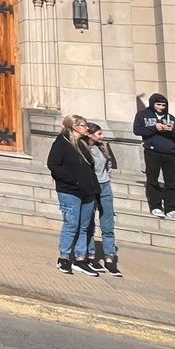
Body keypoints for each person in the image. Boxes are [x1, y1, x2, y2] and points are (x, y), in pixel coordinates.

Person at [47, 114, 101, 276]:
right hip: (70, 191)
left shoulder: (83, 144)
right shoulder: (61, 143)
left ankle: (81, 258)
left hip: (88, 192)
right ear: (75, 127)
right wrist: (73, 181)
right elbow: (53, 165)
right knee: (71, 224)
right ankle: (64, 258)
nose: (87, 128)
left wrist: (94, 189)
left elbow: (90, 169)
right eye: (84, 126)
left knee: (85, 226)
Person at [133, 93, 175, 220]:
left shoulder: (170, 117)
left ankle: (171, 208)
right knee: (152, 179)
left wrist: (171, 129)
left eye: (163, 105)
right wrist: (155, 127)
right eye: (158, 104)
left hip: (171, 152)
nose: (161, 107)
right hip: (152, 151)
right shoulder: (142, 115)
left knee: (172, 181)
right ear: (152, 104)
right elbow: (137, 130)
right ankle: (155, 206)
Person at [83, 122, 122, 277]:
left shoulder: (103, 147)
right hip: (91, 187)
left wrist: (107, 178)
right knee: (89, 223)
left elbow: (109, 164)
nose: (102, 136)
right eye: (99, 134)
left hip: (104, 187)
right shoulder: (84, 149)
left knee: (108, 223)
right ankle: (91, 255)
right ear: (90, 134)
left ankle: (109, 257)